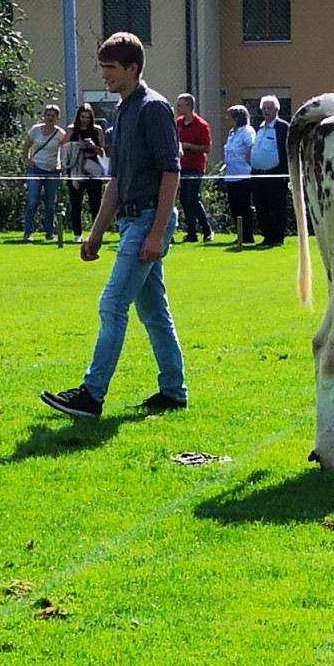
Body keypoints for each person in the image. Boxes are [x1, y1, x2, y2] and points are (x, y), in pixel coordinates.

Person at [40, 31, 187, 420]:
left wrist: (156, 232)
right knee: (155, 313)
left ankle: (91, 395)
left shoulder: (154, 108)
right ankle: (174, 392)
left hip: (147, 220)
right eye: (103, 66)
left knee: (112, 304)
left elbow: (171, 172)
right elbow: (117, 180)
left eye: (110, 67)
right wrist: (96, 231)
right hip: (131, 220)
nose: (104, 74)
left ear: (132, 68)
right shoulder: (123, 111)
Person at [248, 95, 291, 248]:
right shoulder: (259, 127)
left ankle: (277, 237)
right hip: (258, 175)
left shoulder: (282, 127)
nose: (266, 111)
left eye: (269, 108)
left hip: (276, 175)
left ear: (276, 110)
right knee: (261, 206)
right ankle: (266, 236)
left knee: (277, 207)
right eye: (264, 108)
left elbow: (288, 151)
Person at [21, 103, 66, 242]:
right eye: (48, 115)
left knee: (50, 204)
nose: (50, 118)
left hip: (52, 171)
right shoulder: (35, 130)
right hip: (35, 169)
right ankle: (27, 233)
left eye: (53, 115)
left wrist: (61, 166)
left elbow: (65, 151)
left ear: (57, 118)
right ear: (44, 116)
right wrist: (28, 161)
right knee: (33, 201)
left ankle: (49, 233)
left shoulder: (60, 133)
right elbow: (26, 146)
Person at [63, 102, 109, 240]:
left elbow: (102, 151)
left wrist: (92, 146)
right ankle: (77, 234)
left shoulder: (97, 130)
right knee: (75, 201)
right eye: (83, 117)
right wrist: (77, 145)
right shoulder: (71, 130)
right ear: (78, 117)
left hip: (93, 169)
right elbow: (64, 149)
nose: (85, 120)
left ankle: (96, 233)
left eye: (88, 117)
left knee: (95, 202)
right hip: (76, 169)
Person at [174, 93, 214, 242]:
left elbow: (207, 148)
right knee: (184, 199)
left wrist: (189, 146)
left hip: (194, 167)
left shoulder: (201, 125)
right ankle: (191, 233)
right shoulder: (178, 123)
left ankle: (206, 228)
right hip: (180, 166)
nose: (177, 107)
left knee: (192, 198)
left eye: (180, 105)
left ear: (189, 107)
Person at [220, 103, 256, 249]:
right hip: (231, 175)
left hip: (244, 175)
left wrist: (248, 160)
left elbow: (252, 146)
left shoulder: (247, 131)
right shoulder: (232, 132)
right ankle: (240, 234)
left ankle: (247, 235)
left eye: (230, 116)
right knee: (234, 206)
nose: (227, 119)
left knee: (244, 206)